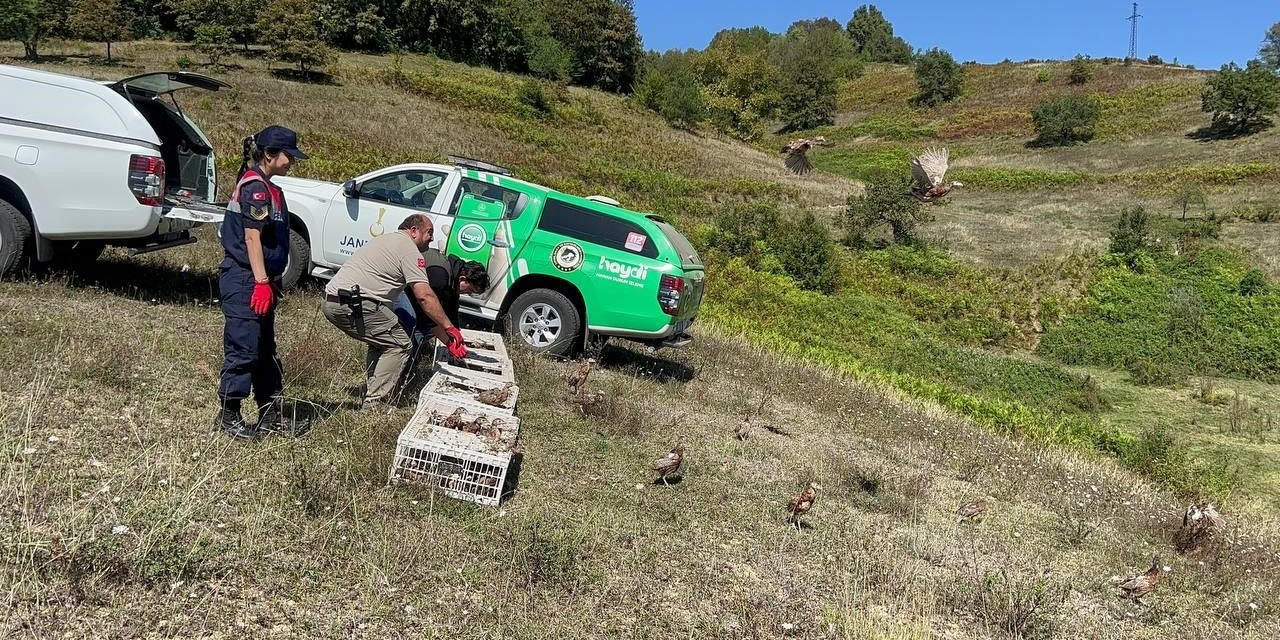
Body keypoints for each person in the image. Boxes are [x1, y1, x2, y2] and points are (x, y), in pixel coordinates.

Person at [217, 125, 310, 440]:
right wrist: (259, 281)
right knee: (244, 347)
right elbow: (252, 237)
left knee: (265, 350)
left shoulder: (272, 189)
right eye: (288, 156)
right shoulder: (255, 188)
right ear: (270, 154)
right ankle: (229, 415)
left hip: (261, 279)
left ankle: (271, 415)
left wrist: (271, 281)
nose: (291, 162)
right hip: (245, 278)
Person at [322, 214, 468, 407]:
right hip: (356, 303)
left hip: (333, 300)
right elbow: (424, 296)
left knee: (383, 343)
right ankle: (375, 405)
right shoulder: (409, 250)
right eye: (429, 232)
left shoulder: (389, 240)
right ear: (413, 230)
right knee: (400, 345)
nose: (432, 238)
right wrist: (450, 328)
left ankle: (374, 391)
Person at [394, 250, 490, 367]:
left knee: (433, 326)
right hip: (399, 286)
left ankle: (416, 353)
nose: (467, 294)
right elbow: (426, 311)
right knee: (413, 325)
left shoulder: (454, 276)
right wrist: (448, 343)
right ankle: (406, 366)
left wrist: (455, 336)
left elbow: (451, 309)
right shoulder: (440, 277)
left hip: (416, 292)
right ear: (463, 279)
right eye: (469, 290)